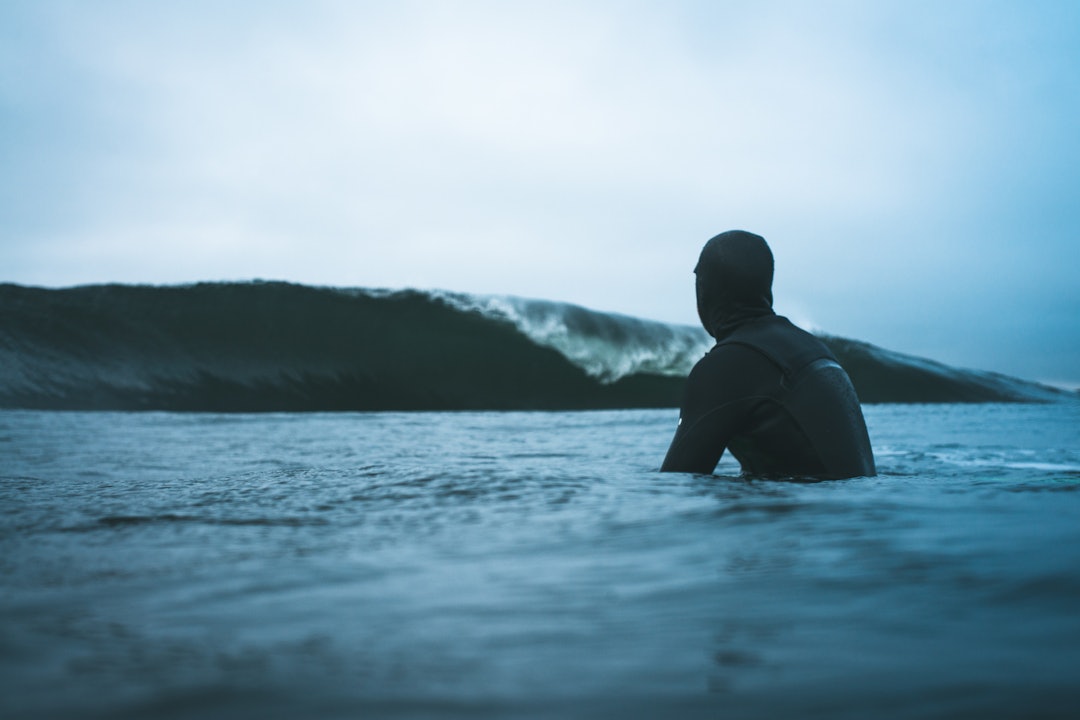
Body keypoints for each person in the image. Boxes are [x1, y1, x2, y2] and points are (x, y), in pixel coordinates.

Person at [661, 230, 876, 479]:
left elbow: (677, 482)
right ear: (767, 287)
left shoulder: (725, 367)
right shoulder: (814, 349)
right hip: (853, 510)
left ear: (702, 288)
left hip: (811, 515)